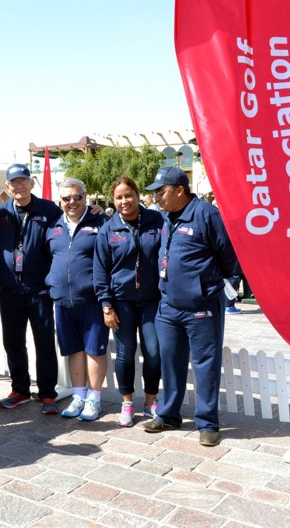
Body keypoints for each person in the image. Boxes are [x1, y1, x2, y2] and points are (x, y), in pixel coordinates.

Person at [141, 167, 237, 447]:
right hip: (168, 306)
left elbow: (229, 258)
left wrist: (213, 289)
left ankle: (207, 423)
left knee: (206, 364)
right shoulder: (165, 217)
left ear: (179, 190)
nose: (156, 197)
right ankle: (169, 415)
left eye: (161, 191)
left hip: (201, 306)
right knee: (169, 361)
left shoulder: (206, 214)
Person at [94, 177, 163, 427]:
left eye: (129, 195)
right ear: (114, 200)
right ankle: (127, 402)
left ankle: (152, 401)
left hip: (152, 300)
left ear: (137, 195)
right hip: (121, 301)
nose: (125, 201)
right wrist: (106, 306)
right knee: (124, 354)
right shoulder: (108, 229)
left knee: (154, 353)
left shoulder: (157, 221)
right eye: (119, 197)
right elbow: (100, 270)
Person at [0, 163, 63, 414]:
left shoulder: (49, 209)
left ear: (32, 183)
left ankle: (47, 394)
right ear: (7, 186)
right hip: (10, 288)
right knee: (13, 342)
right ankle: (20, 390)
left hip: (39, 288)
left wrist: (96, 210)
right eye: (14, 182)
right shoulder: (0, 213)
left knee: (44, 341)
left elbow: (74, 218)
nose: (19, 185)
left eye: (23, 180)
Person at [46, 178, 109, 421]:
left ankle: (94, 400)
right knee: (74, 350)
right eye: (66, 198)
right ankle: (79, 396)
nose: (72, 202)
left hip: (92, 300)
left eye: (77, 197)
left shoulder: (101, 222)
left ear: (86, 197)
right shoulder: (53, 226)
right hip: (62, 301)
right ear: (59, 201)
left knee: (94, 351)